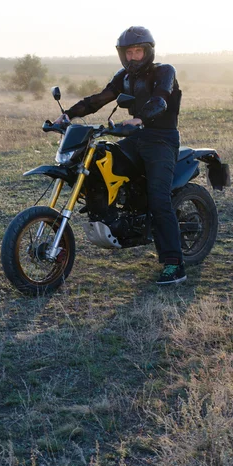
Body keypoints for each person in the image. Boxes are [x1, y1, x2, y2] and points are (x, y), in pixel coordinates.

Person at [55, 25, 186, 285]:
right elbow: (98, 100)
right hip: (133, 139)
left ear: (147, 51)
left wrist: (139, 119)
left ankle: (174, 264)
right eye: (128, 52)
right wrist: (67, 115)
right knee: (97, 167)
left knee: (159, 199)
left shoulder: (164, 71)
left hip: (161, 140)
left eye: (138, 51)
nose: (133, 57)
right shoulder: (123, 77)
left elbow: (160, 100)